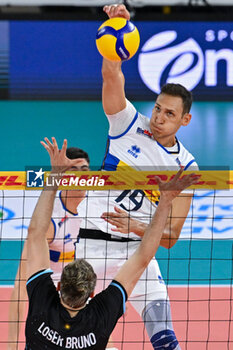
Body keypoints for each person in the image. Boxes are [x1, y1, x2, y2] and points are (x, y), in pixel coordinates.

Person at [77, 4, 199, 349]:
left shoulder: (187, 167)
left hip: (139, 254)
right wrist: (119, 26)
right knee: (77, 338)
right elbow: (111, 77)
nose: (159, 117)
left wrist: (135, 227)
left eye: (169, 113)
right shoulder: (128, 124)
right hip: (89, 247)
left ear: (184, 121)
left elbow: (171, 235)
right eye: (158, 108)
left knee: (167, 341)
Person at [24, 137, 198, 350]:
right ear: (91, 294)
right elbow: (143, 257)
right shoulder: (99, 319)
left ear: (58, 287)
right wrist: (165, 202)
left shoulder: (42, 307)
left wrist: (55, 175)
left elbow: (35, 233)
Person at [8, 140, 90, 350]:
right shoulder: (50, 221)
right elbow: (19, 289)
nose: (81, 175)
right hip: (50, 305)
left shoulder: (96, 207)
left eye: (85, 169)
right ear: (63, 176)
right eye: (74, 169)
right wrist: (10, 346)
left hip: (83, 299)